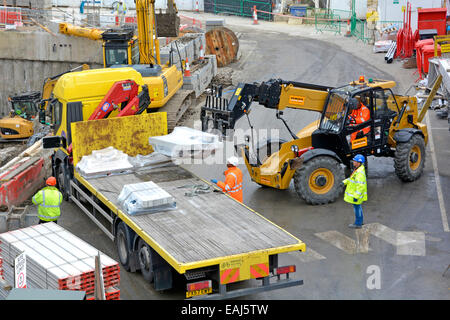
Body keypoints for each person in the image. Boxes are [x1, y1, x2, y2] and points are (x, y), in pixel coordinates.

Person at [342, 154, 367, 229]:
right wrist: (344, 182)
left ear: (359, 163)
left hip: (357, 196)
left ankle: (358, 224)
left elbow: (360, 186)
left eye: (355, 161)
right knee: (358, 207)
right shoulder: (358, 170)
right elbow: (351, 179)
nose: (353, 162)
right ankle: (360, 222)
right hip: (357, 195)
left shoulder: (359, 173)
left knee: (357, 209)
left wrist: (356, 196)